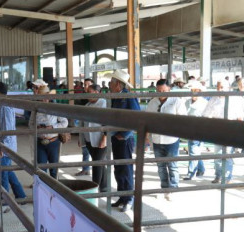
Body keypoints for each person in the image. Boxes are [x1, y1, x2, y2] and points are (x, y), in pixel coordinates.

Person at [202, 80, 244, 183]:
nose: (219, 89)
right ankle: (218, 175)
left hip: (230, 130)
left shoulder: (234, 100)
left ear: (228, 88)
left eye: (222, 87)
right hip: (217, 130)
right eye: (218, 87)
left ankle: (227, 178)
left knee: (227, 154)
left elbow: (240, 117)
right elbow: (206, 114)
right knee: (217, 154)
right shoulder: (214, 99)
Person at [146, 79, 186, 200]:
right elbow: (147, 120)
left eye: (163, 90)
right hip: (157, 139)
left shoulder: (177, 101)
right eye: (158, 90)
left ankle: (173, 188)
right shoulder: (152, 103)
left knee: (172, 165)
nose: (160, 93)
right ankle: (164, 188)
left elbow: (183, 119)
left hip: (171, 139)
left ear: (169, 89)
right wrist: (147, 137)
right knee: (161, 166)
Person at [0, 81, 27, 204]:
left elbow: (6, 130)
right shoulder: (0, 105)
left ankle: (4, 203)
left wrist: (2, 148)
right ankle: (21, 196)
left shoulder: (4, 107)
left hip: (3, 148)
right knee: (8, 173)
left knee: (2, 176)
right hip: (0, 146)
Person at [108, 69, 141, 211]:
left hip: (124, 139)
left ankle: (129, 198)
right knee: (118, 168)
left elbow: (136, 117)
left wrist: (126, 134)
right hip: (116, 137)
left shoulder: (128, 96)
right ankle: (122, 196)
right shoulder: (115, 97)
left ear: (118, 84)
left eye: (111, 82)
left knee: (126, 168)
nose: (109, 84)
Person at [33, 78, 69, 179]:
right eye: (42, 96)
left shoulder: (55, 107)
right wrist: (37, 127)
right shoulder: (35, 108)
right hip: (40, 141)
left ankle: (54, 193)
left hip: (53, 141)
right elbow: (30, 124)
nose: (44, 98)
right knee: (41, 170)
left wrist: (53, 127)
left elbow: (64, 122)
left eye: (46, 95)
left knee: (54, 171)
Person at [80, 83, 108, 192]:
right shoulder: (87, 105)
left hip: (100, 139)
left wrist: (104, 138)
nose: (87, 95)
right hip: (89, 140)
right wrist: (81, 139)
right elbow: (82, 123)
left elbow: (107, 122)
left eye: (89, 92)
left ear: (97, 93)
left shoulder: (103, 103)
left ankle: (94, 189)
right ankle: (104, 186)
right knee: (99, 162)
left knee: (96, 163)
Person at [184, 80, 207, 181]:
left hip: (199, 129)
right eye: (192, 90)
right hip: (189, 129)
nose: (194, 92)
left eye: (196, 90)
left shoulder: (204, 103)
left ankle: (191, 173)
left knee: (193, 151)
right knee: (194, 151)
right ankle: (201, 169)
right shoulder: (187, 102)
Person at [74, 78, 95, 176]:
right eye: (85, 85)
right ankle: (85, 168)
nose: (86, 87)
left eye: (88, 85)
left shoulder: (98, 100)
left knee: (96, 152)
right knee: (84, 149)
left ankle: (95, 170)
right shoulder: (83, 98)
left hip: (94, 128)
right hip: (84, 125)